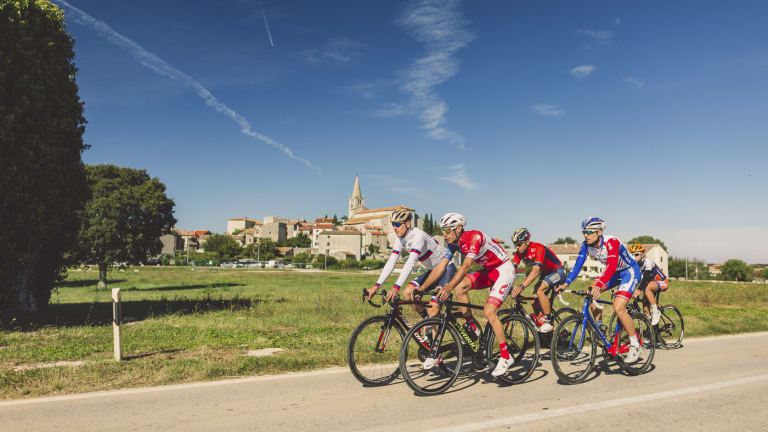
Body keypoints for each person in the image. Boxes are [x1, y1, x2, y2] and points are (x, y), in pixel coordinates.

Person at [430, 212, 518, 377]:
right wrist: (430, 287)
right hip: (489, 271)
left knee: (489, 311)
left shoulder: (474, 237)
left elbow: (465, 267)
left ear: (459, 228)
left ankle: (506, 356)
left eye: (448, 230)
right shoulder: (454, 244)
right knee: (460, 288)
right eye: (443, 230)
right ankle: (472, 325)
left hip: (504, 270)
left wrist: (447, 287)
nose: (444, 234)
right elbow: (442, 266)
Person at [555, 217, 643, 362]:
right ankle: (600, 327)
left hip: (629, 271)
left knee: (618, 307)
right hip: (614, 273)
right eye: (584, 232)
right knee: (590, 291)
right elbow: (577, 266)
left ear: (600, 232)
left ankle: (635, 344)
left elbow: (612, 265)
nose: (586, 235)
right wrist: (566, 283)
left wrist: (600, 284)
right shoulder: (586, 246)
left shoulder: (611, 242)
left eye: (589, 232)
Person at [366, 209, 456, 320]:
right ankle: (428, 322)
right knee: (408, 293)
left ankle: (434, 326)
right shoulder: (400, 239)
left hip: (447, 268)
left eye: (398, 224)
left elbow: (410, 263)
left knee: (433, 309)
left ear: (408, 224)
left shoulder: (418, 236)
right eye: (393, 224)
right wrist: (376, 286)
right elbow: (391, 262)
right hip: (433, 271)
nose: (395, 227)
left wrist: (395, 287)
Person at [510, 228, 567, 333]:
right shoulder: (519, 253)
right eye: (515, 244)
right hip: (546, 274)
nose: (517, 247)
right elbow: (510, 270)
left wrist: (521, 286)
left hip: (558, 271)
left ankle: (548, 321)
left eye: (519, 244)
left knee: (539, 290)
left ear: (527, 241)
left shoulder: (538, 248)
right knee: (534, 302)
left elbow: (535, 271)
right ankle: (545, 331)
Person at [628, 243, 669, 325]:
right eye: (632, 255)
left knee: (647, 288)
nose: (634, 257)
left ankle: (655, 312)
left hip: (663, 282)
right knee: (645, 307)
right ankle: (650, 331)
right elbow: (631, 278)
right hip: (651, 284)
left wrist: (639, 290)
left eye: (636, 254)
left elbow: (646, 276)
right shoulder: (635, 265)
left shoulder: (648, 262)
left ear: (643, 254)